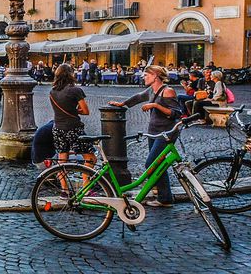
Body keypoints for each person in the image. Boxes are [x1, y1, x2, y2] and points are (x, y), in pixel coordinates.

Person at [108, 65, 182, 207]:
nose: (144, 77)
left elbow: (176, 113)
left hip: (166, 133)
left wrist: (155, 105)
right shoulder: (151, 90)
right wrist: (122, 104)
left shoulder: (168, 91)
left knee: (151, 163)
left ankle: (163, 196)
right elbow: (138, 97)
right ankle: (165, 197)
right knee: (158, 163)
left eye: (146, 75)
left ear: (155, 76)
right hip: (153, 131)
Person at [49, 64, 95, 166]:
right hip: (73, 128)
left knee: (62, 160)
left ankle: (63, 182)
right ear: (70, 74)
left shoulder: (52, 91)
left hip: (57, 127)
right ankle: (86, 182)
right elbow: (85, 111)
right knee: (90, 159)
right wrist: (75, 111)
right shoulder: (75, 90)